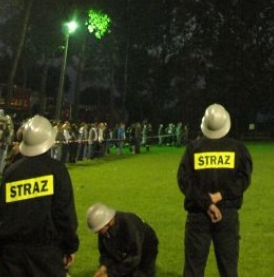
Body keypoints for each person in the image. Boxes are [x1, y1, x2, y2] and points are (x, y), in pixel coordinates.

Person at [0, 114, 79, 275]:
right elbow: (64, 216)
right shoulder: (57, 171)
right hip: (46, 257)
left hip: (11, 258)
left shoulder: (11, 172)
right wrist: (70, 247)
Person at [177, 104, 253, 277]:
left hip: (198, 213)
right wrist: (220, 195)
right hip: (227, 214)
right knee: (228, 270)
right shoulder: (238, 149)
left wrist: (207, 203)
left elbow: (184, 181)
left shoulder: (193, 149)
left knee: (193, 270)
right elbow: (243, 180)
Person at [86, 202, 159, 277]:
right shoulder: (104, 230)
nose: (97, 233)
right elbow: (105, 252)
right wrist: (103, 267)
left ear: (108, 223)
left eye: (99, 230)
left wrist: (109, 274)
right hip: (129, 248)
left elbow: (134, 257)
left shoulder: (129, 226)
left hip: (146, 247)